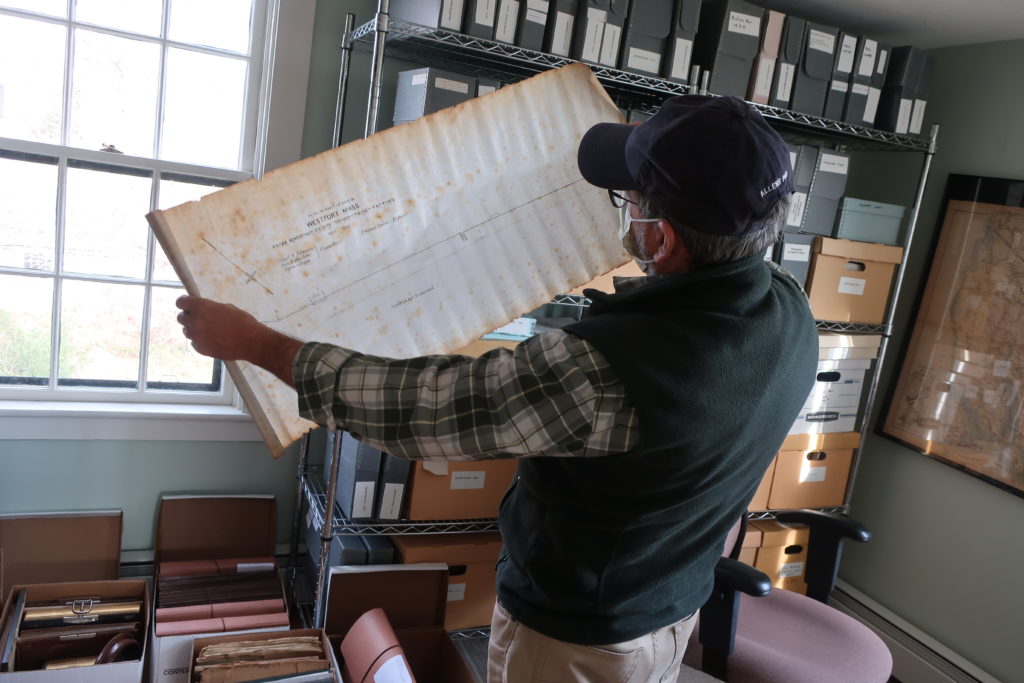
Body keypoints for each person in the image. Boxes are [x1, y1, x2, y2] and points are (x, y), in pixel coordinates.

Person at [176, 94, 818, 683]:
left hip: (579, 643)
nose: (627, 214)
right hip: (670, 607)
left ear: (662, 236)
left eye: (631, 202)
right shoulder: (790, 316)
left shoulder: (611, 372)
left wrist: (253, 343)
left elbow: (424, 411)